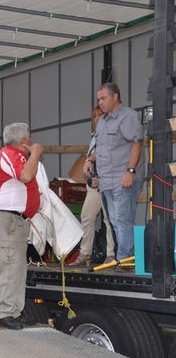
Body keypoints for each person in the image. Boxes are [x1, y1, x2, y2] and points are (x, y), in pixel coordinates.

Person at [0, 123, 43, 330]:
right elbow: (26, 176)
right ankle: (5, 312)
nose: (32, 140)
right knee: (11, 265)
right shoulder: (9, 154)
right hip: (6, 219)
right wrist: (35, 153)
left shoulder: (15, 156)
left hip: (15, 220)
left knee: (17, 267)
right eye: (30, 137)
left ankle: (14, 311)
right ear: (24, 140)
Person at [84, 83, 144, 262]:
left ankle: (125, 259)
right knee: (114, 221)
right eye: (98, 99)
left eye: (103, 98)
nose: (100, 102)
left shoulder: (128, 117)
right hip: (106, 181)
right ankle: (125, 257)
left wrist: (130, 171)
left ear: (115, 97)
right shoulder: (103, 122)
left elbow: (137, 144)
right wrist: (90, 160)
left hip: (122, 179)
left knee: (123, 219)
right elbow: (102, 149)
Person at [69, 105, 116, 266]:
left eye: (100, 115)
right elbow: (90, 166)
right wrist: (91, 177)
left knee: (109, 220)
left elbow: (112, 160)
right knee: (87, 216)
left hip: (107, 183)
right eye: (94, 116)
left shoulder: (111, 135)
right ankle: (85, 253)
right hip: (94, 186)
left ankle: (111, 255)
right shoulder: (94, 139)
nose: (96, 119)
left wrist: (100, 177)